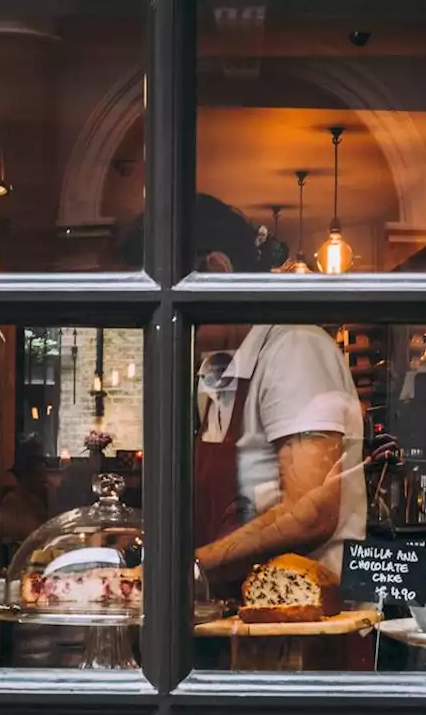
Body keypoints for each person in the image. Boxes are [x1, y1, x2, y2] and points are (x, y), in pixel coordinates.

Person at [123, 195, 376, 584]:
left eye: (166, 308)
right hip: (235, 620)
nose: (159, 331)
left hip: (304, 629)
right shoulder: (218, 366)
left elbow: (310, 514)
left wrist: (185, 570)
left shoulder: (294, 349)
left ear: (217, 270)